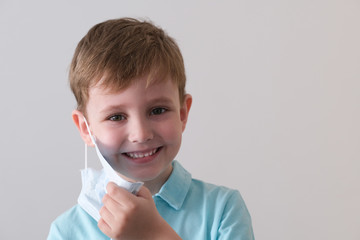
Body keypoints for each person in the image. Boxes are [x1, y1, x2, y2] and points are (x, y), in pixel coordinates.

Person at [47, 17, 254, 240]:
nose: (141, 134)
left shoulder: (223, 210)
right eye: (116, 116)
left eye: (157, 111)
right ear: (86, 128)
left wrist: (154, 235)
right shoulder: (66, 231)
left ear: (183, 113)